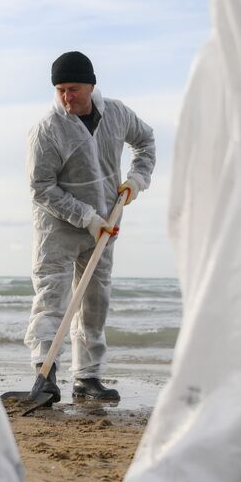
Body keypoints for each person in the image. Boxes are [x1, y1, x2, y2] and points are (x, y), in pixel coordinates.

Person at [24, 50, 155, 403]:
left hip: (105, 226)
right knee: (51, 298)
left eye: (73, 89)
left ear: (91, 86)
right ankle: (45, 375)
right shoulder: (47, 130)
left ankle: (87, 378)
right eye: (60, 90)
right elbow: (41, 187)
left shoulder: (117, 114)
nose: (66, 97)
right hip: (58, 229)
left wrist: (136, 181)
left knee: (95, 302)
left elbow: (146, 142)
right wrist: (86, 218)